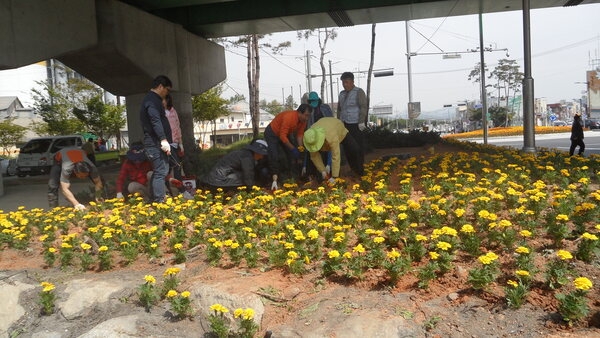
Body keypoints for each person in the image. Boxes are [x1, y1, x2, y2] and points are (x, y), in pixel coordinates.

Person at [140, 75, 173, 203]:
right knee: (161, 172)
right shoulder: (151, 101)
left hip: (156, 143)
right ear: (160, 86)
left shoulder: (153, 99)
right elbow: (155, 120)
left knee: (159, 171)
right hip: (155, 143)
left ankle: (154, 198)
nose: (167, 93)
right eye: (167, 90)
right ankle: (159, 200)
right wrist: (163, 139)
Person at [264, 104, 312, 190]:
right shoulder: (289, 118)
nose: (307, 118)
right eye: (306, 115)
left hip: (285, 133)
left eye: (308, 116)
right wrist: (293, 149)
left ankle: (291, 178)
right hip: (272, 133)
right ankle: (274, 180)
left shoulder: (303, 121)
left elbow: (300, 135)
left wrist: (300, 148)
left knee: (291, 155)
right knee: (274, 155)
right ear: (300, 113)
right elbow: (283, 136)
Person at [303, 117, 364, 183]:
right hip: (324, 127)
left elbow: (336, 155)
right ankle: (313, 177)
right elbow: (314, 156)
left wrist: (335, 176)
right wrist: (322, 171)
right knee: (311, 155)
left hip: (339, 129)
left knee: (354, 149)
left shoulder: (331, 135)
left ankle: (359, 173)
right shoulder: (310, 136)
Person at [202, 139, 269, 191]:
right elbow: (248, 176)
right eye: (262, 154)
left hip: (213, 179)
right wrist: (253, 190)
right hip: (218, 181)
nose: (261, 157)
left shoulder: (243, 153)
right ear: (256, 152)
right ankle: (234, 193)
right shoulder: (247, 158)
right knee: (246, 177)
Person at [337, 72, 368, 168]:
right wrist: (339, 121)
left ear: (352, 82)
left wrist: (361, 121)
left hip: (356, 124)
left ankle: (359, 169)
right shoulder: (341, 94)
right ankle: (353, 168)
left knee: (357, 147)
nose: (345, 85)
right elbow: (339, 109)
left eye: (346, 82)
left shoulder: (359, 92)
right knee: (347, 147)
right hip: (344, 124)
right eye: (343, 83)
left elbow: (363, 107)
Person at [303, 91, 334, 177]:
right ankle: (312, 173)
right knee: (313, 153)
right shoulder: (309, 110)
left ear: (318, 100)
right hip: (314, 134)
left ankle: (328, 168)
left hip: (325, 132)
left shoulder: (325, 108)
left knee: (328, 150)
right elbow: (307, 124)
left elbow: (331, 119)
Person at [164, 94, 184, 182]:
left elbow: (177, 127)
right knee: (176, 165)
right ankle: (181, 189)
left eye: (164, 100)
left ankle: (171, 188)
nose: (163, 102)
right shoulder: (159, 112)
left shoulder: (173, 111)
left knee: (171, 167)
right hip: (166, 143)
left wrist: (180, 143)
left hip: (175, 143)